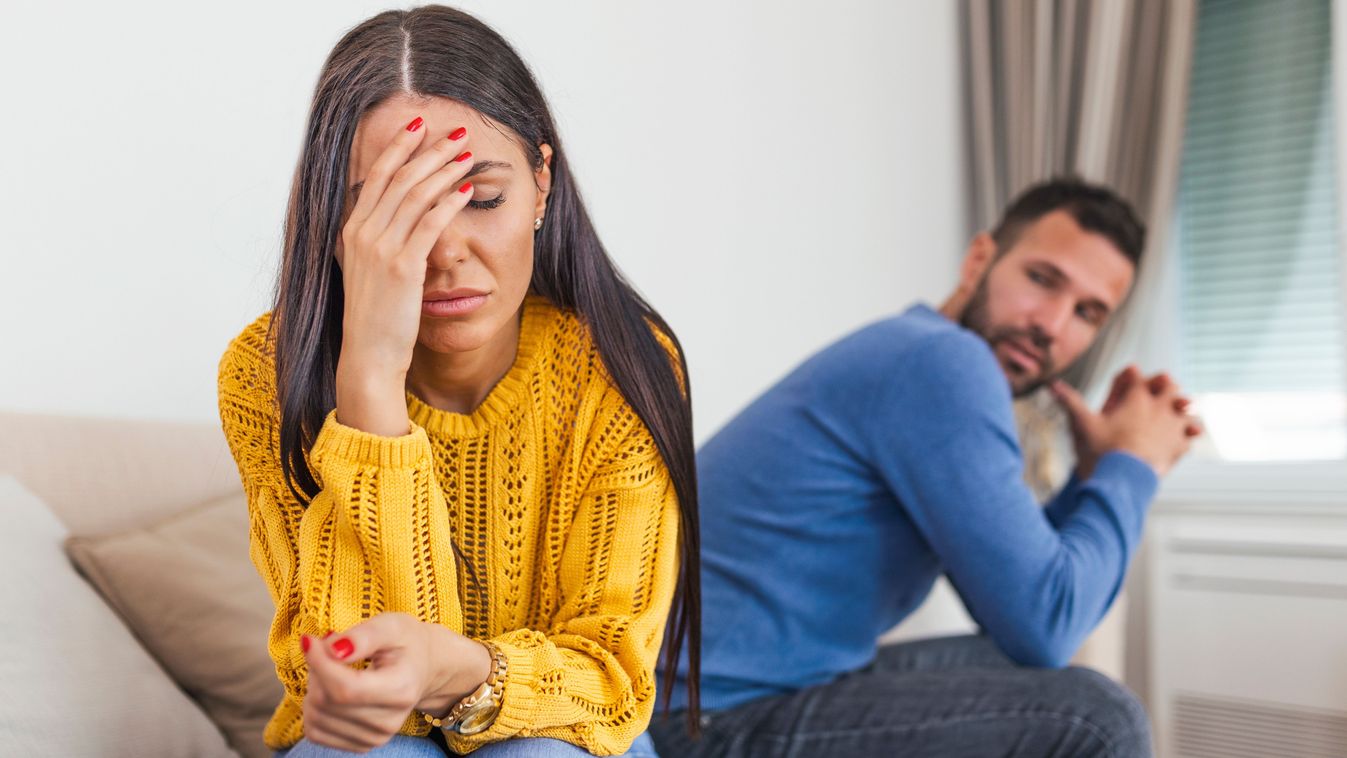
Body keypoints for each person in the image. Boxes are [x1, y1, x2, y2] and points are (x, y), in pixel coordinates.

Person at [217, 6, 700, 756]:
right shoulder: (264, 373)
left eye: (481, 197)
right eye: (391, 208)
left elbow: (610, 675)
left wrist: (461, 670)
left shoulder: (622, 363)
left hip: (564, 731)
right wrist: (371, 376)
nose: (442, 251)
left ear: (542, 184)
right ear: (335, 214)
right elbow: (356, 683)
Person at [650, 178, 1201, 757]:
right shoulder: (943, 363)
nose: (1053, 326)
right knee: (1097, 720)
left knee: (1016, 669)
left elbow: (1020, 612)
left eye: (1088, 313)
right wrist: (1133, 463)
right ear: (979, 260)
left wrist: (1094, 474)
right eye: (1042, 280)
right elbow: (1048, 624)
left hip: (754, 689)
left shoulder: (917, 354)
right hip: (699, 719)